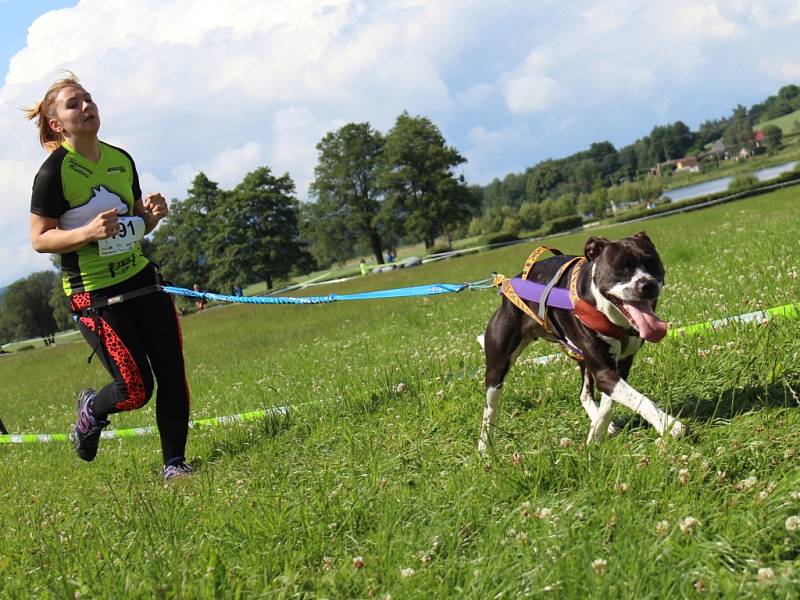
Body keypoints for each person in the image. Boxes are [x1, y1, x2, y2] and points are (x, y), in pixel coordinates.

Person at [26, 74, 192, 480]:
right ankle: (90, 411)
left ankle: (174, 464)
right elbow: (39, 239)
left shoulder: (121, 158)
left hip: (142, 280)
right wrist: (87, 232)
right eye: (73, 104)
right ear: (56, 124)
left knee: (172, 373)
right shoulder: (53, 174)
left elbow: (136, 224)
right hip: (94, 296)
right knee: (135, 389)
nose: (86, 106)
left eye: (88, 98)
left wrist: (150, 216)